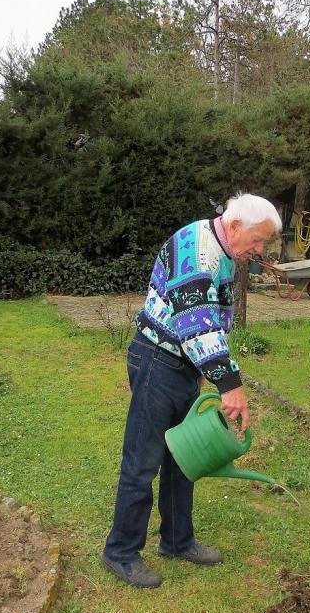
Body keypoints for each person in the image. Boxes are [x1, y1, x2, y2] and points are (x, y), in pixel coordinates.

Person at [102, 192, 282, 589]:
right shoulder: (198, 252)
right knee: (143, 460)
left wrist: (224, 372)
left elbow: (214, 325)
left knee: (182, 457)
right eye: (257, 240)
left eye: (263, 243)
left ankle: (177, 541)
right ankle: (120, 552)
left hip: (182, 365)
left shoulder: (223, 252)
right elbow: (196, 326)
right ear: (235, 226)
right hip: (156, 361)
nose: (259, 250)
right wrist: (229, 385)